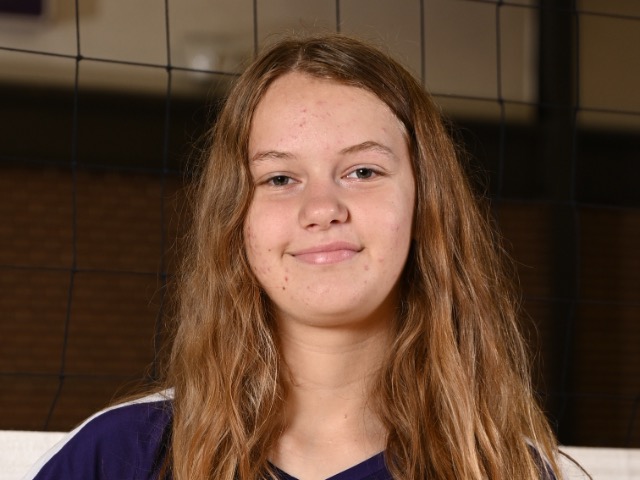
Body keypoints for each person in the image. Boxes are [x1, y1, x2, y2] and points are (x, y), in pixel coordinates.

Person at [25, 33, 563, 479]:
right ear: (236, 219)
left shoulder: (498, 468)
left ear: (427, 204)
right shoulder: (122, 455)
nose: (323, 209)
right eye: (280, 178)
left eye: (363, 171)